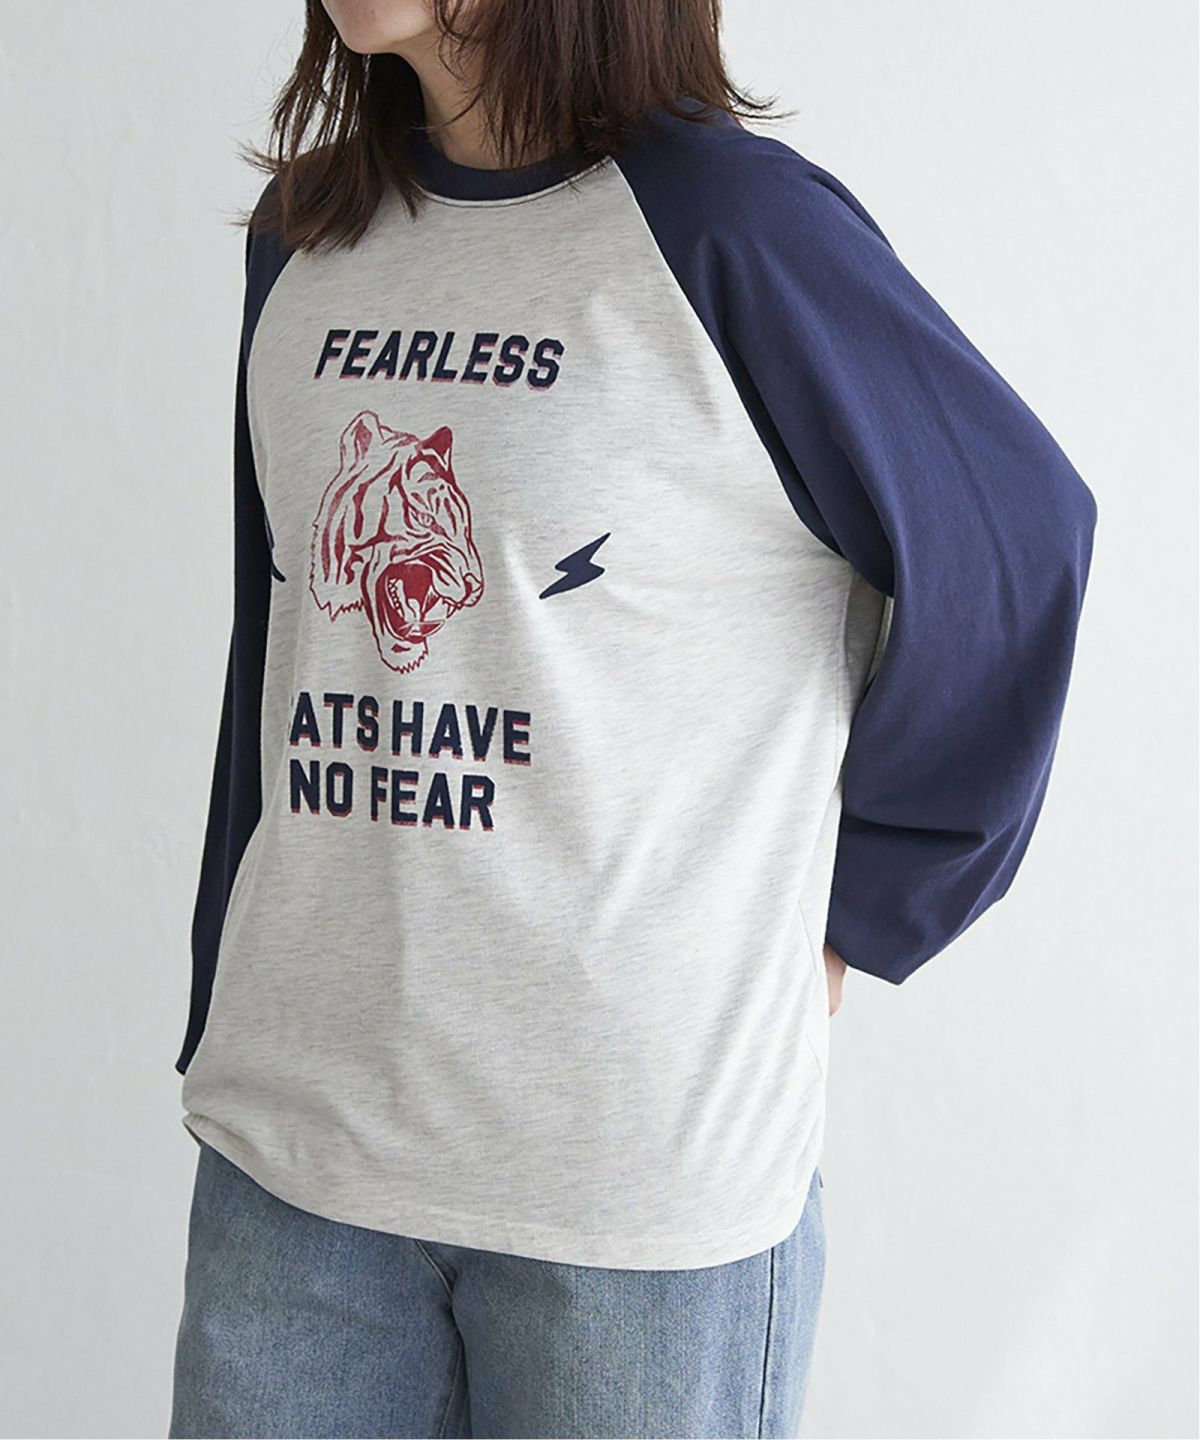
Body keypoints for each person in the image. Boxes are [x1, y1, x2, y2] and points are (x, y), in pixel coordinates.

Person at [168, 0, 1099, 1435]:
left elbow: (1015, 546)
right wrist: (227, 997)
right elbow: (279, 642)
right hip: (294, 1162)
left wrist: (866, 905)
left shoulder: (731, 230)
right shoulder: (304, 237)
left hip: (633, 1202)